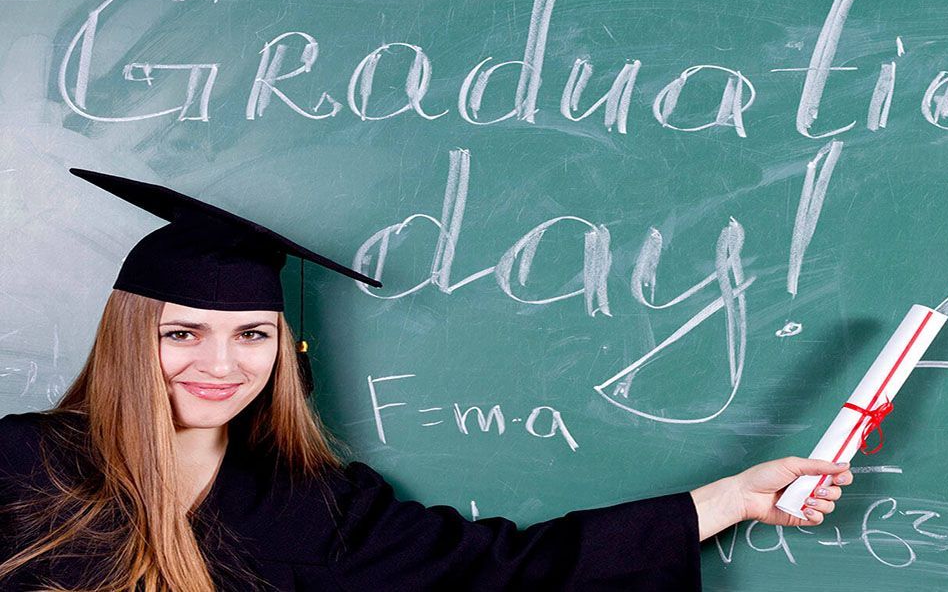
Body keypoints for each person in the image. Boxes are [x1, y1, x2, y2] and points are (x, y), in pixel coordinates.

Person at [0, 168, 854, 591]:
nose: (220, 364)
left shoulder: (319, 505)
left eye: (252, 334)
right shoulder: (19, 464)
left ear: (281, 348)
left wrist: (734, 497)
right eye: (182, 332)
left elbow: (512, 572)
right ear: (129, 338)